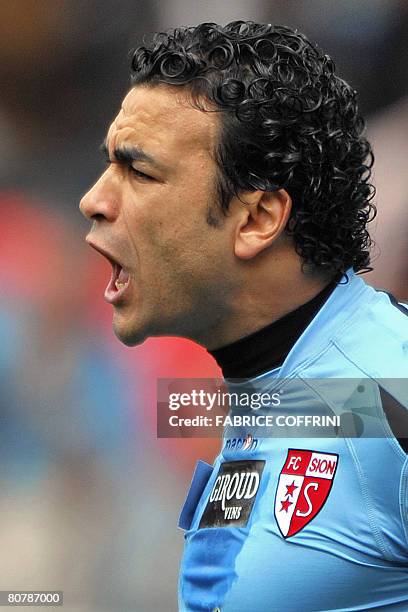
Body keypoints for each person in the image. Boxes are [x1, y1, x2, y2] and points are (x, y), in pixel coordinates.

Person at [80, 21, 408, 612]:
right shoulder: (277, 393)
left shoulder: (390, 391)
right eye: (109, 166)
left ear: (256, 219)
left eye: (140, 172)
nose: (94, 200)